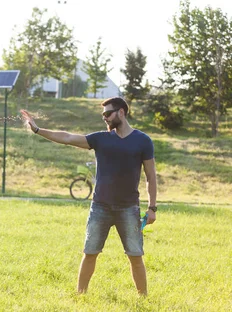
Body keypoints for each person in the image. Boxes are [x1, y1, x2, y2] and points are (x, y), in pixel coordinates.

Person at [20, 97, 157, 295]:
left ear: (121, 112)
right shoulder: (100, 138)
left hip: (128, 209)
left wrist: (152, 208)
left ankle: (144, 300)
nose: (105, 118)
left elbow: (151, 177)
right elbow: (67, 137)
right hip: (100, 207)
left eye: (107, 114)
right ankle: (80, 296)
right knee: (90, 253)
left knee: (135, 256)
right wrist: (38, 130)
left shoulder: (143, 141)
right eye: (103, 115)